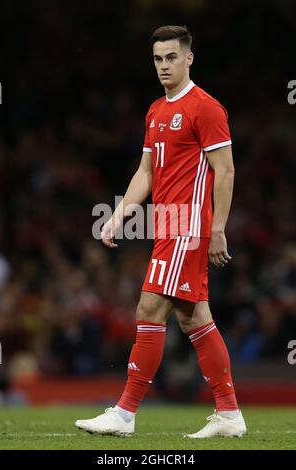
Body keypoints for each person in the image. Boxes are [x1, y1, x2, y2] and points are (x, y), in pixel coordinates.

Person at [76, 25, 247, 438]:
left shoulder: (205, 108)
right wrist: (118, 215)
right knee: (194, 318)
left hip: (188, 225)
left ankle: (124, 413)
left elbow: (225, 171)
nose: (164, 66)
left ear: (189, 58)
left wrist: (218, 228)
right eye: (157, 59)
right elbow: (146, 173)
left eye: (171, 57)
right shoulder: (155, 110)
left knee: (149, 310)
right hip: (165, 224)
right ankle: (229, 415)